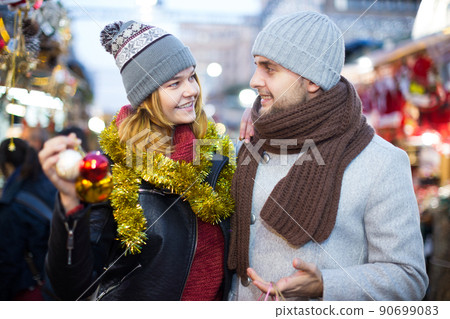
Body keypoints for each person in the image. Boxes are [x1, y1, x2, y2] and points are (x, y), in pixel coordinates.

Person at [228, 11, 428, 301]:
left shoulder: (382, 162)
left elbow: (408, 277)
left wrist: (326, 285)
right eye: (256, 65)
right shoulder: (249, 143)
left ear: (312, 80)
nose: (254, 80)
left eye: (269, 68)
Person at [38, 20, 235, 301]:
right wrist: (70, 204)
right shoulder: (114, 169)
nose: (191, 90)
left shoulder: (217, 158)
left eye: (191, 77)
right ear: (146, 95)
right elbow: (70, 287)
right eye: (174, 83)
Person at [0, 138, 57, 300]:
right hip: (53, 281)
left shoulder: (12, 202)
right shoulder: (46, 182)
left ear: (6, 165)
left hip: (27, 288)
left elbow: (8, 260)